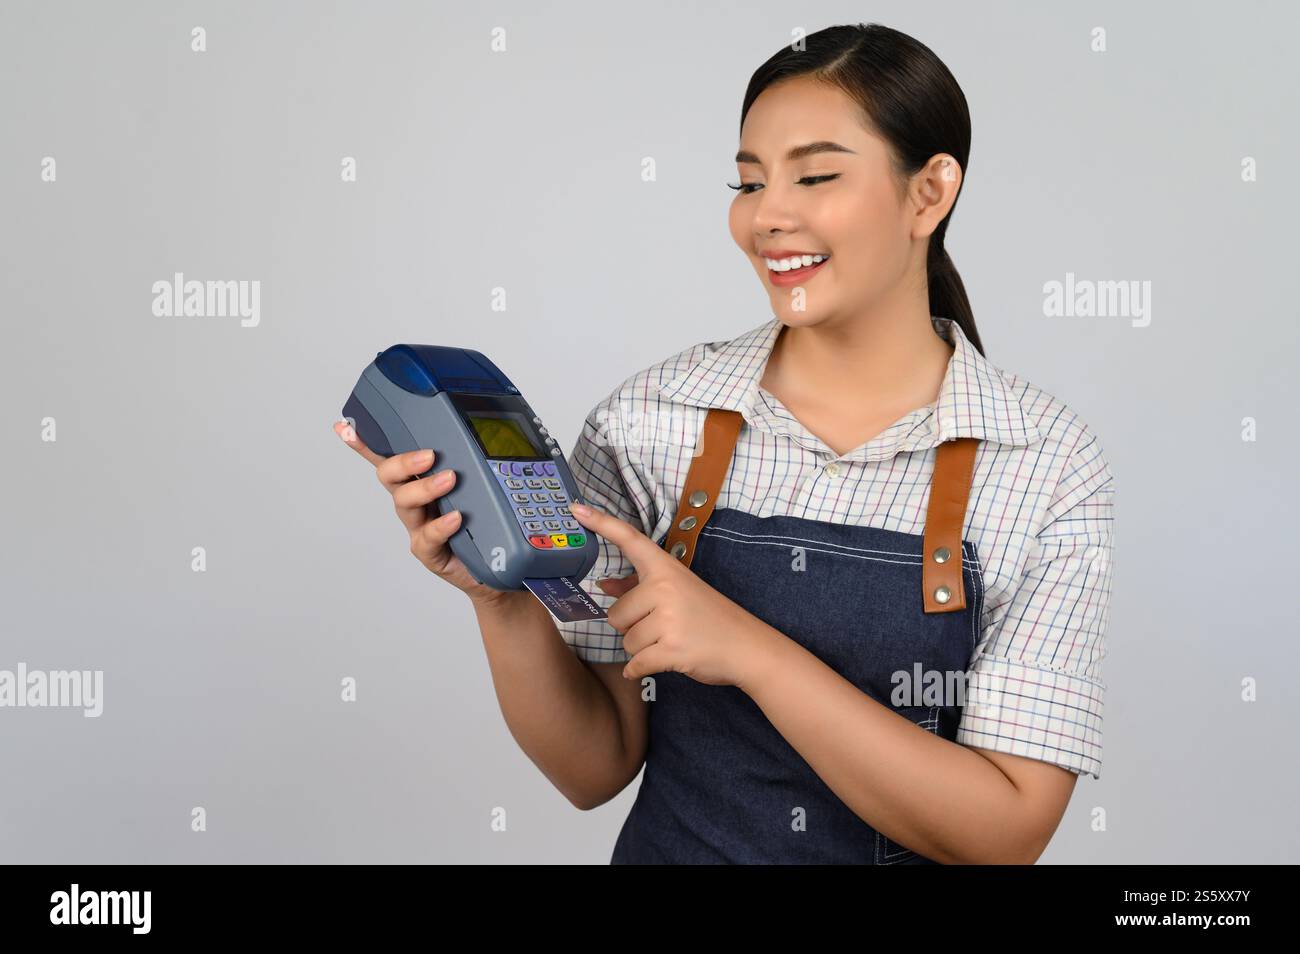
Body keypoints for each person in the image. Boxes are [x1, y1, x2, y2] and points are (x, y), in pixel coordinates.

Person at [335, 22, 1114, 864]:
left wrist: (746, 650)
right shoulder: (649, 420)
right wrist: (500, 598)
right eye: (748, 182)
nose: (768, 216)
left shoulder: (1045, 461)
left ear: (929, 193)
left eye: (815, 175)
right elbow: (595, 768)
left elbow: (1004, 833)